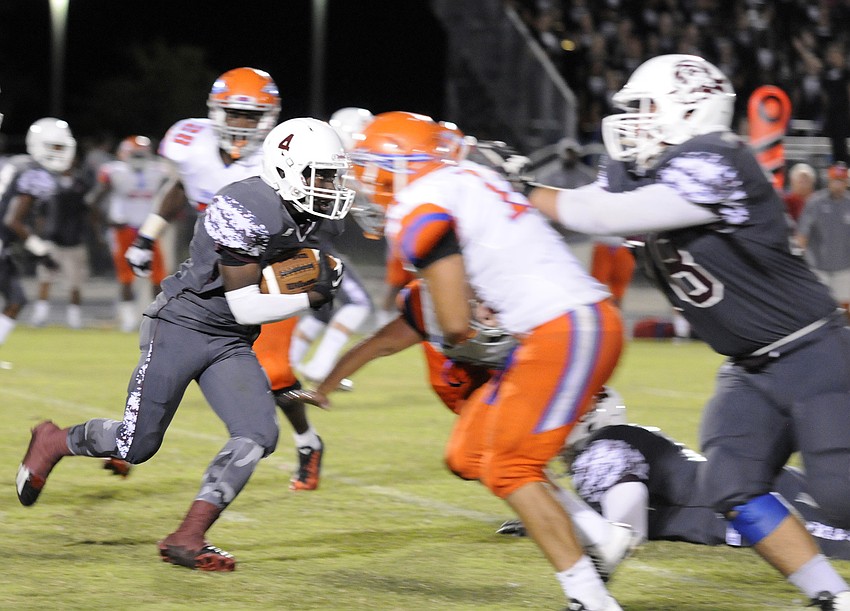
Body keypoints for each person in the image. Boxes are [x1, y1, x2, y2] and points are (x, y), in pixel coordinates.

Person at [528, 54, 850, 610]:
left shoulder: (719, 158)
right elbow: (593, 208)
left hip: (812, 354)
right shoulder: (641, 172)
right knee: (734, 488)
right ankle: (833, 597)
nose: (630, 121)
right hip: (747, 369)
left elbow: (604, 217)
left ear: (689, 109)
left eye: (644, 108)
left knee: (842, 499)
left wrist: (523, 187)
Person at [15, 117, 353, 571]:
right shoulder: (245, 204)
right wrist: (311, 293)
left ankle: (188, 536)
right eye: (321, 175)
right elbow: (246, 306)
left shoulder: (309, 216)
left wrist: (318, 280)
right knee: (136, 446)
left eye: (333, 175)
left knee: (258, 433)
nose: (329, 186)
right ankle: (54, 440)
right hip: (181, 326)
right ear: (288, 169)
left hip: (230, 342)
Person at [350, 111, 624, 611]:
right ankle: (600, 537)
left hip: (561, 326)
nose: (365, 182)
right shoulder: (468, 176)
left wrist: (465, 339)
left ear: (407, 167)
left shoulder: (418, 204)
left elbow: (454, 324)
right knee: (469, 454)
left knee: (510, 466)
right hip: (569, 321)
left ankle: (589, 598)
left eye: (374, 168)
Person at [125, 68, 326, 491]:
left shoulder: (277, 157)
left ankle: (307, 441)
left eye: (250, 117)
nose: (240, 124)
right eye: (233, 113)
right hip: (207, 271)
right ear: (215, 111)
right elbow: (179, 187)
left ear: (269, 120)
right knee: (167, 356)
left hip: (267, 269)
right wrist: (146, 236)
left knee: (272, 372)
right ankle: (132, 438)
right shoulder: (191, 143)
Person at [498, 406, 850, 564]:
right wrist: (547, 522)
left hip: (753, 507)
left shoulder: (602, 449)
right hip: (756, 489)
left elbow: (626, 522)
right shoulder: (618, 442)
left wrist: (605, 538)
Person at [290, 107, 375, 388]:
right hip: (315, 242)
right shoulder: (334, 167)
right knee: (358, 303)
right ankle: (320, 367)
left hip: (307, 240)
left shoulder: (317, 162)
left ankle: (286, 365)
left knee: (322, 310)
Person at [0, 118, 76, 365]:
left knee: (16, 299)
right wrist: (40, 250)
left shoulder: (15, 163)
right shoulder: (35, 173)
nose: (59, 153)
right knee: (15, 299)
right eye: (54, 147)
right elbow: (14, 220)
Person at [85, 135, 173, 332]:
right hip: (123, 228)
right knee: (126, 276)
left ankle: (157, 318)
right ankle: (127, 320)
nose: (139, 158)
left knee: (158, 276)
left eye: (142, 154)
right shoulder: (115, 171)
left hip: (149, 230)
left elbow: (174, 195)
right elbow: (93, 200)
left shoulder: (159, 170)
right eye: (135, 154)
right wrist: (104, 224)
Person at [28, 150, 97, 329]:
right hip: (52, 238)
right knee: (45, 277)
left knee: (75, 281)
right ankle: (40, 315)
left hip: (75, 239)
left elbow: (89, 210)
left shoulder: (82, 183)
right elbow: (40, 213)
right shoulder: (48, 181)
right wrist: (40, 235)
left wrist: (93, 233)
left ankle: (74, 317)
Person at [797, 163, 850, 313]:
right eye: (835, 180)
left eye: (841, 181)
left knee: (845, 307)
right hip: (818, 267)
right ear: (829, 181)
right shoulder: (815, 202)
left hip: (845, 267)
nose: (838, 184)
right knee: (818, 308)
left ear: (846, 182)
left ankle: (846, 336)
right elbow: (802, 235)